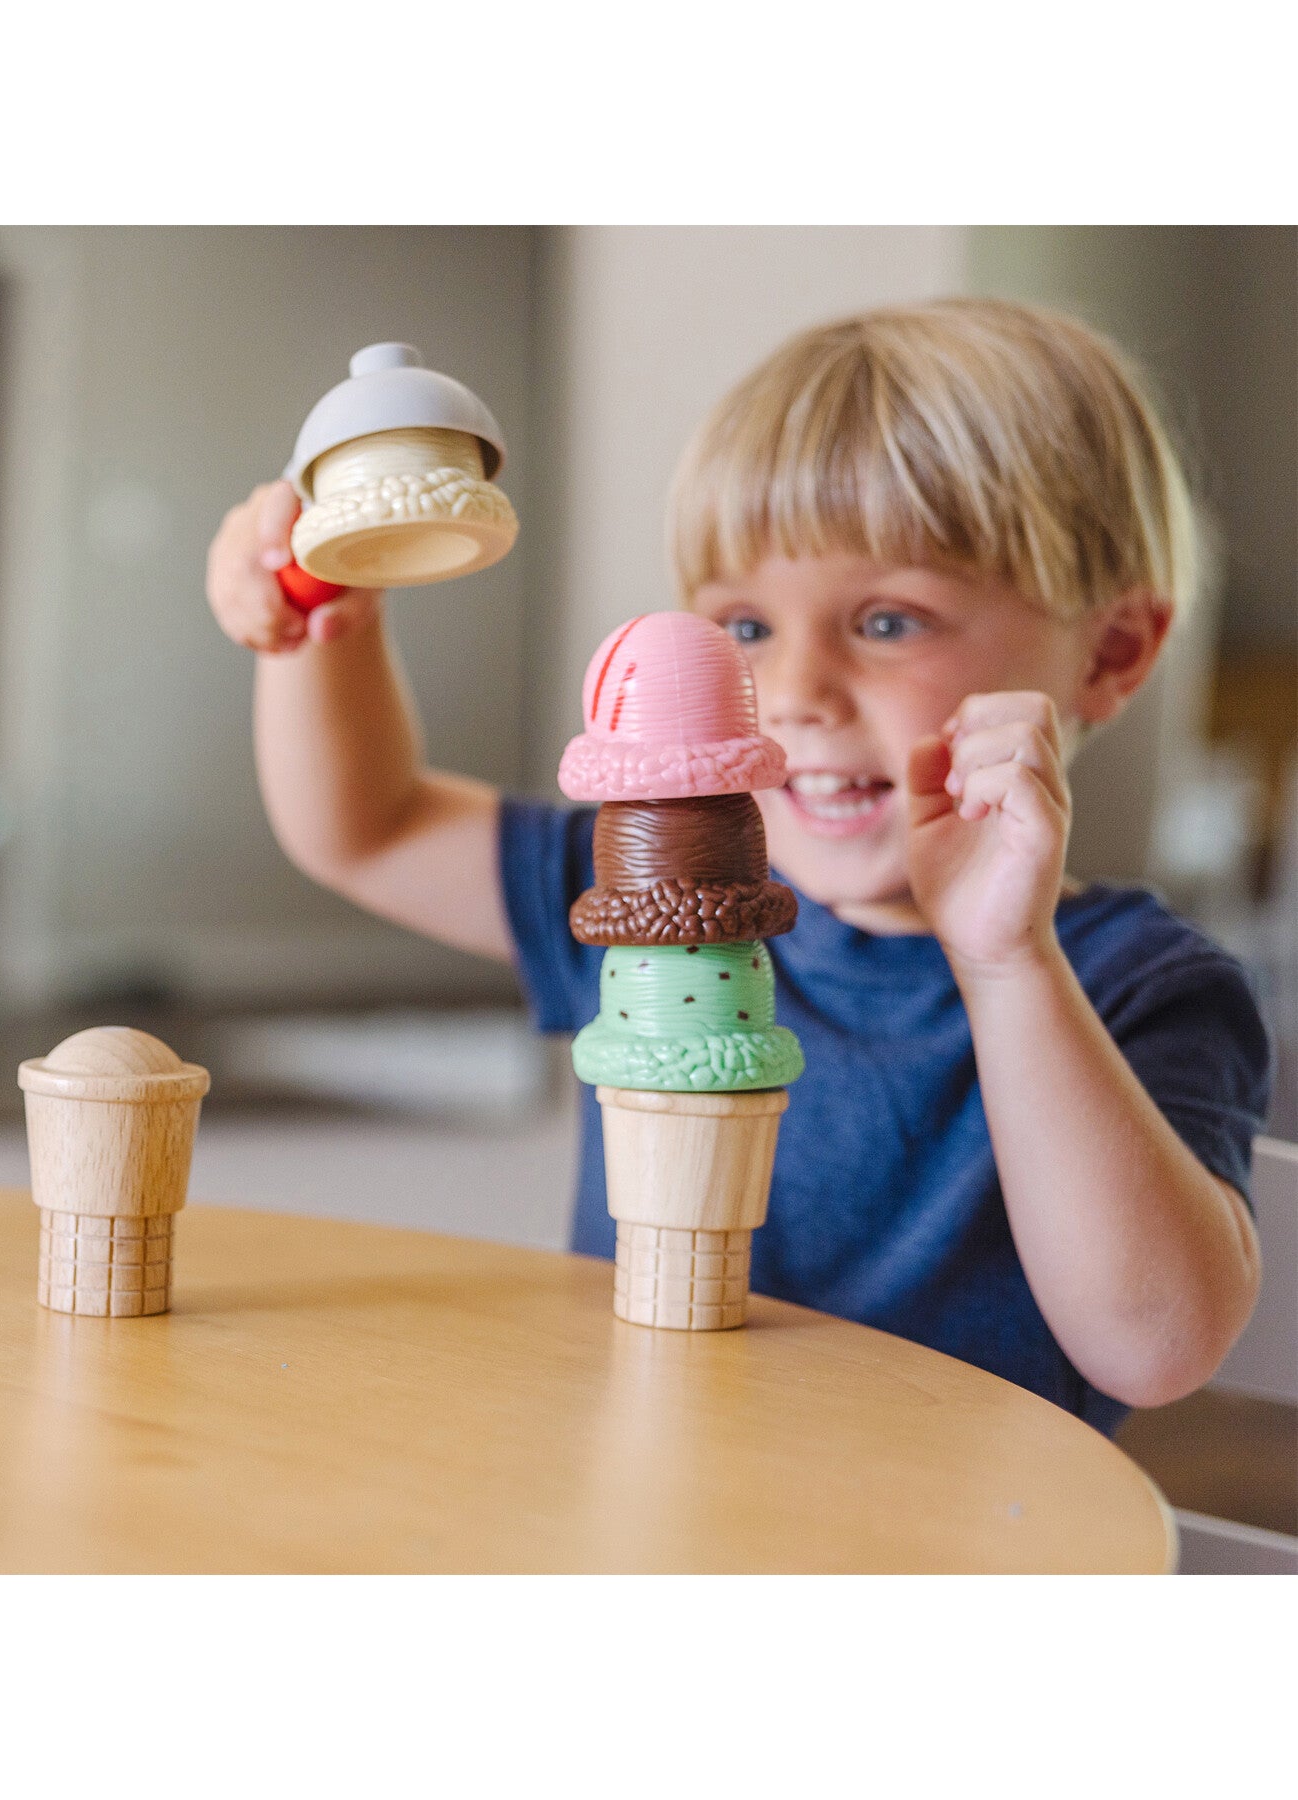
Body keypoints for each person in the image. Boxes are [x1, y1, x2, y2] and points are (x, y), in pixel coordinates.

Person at [206, 297, 1270, 1436]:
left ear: (1110, 652)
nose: (797, 691)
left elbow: (1154, 1345)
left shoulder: (1136, 985)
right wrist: (322, 618)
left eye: (890, 621)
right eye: (748, 629)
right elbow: (367, 827)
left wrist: (1007, 962)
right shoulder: (656, 888)